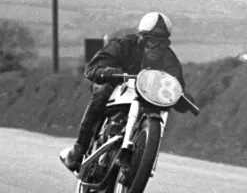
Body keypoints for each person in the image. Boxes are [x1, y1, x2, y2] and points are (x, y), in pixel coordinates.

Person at [64, 12, 194, 171]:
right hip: (116, 87)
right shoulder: (123, 45)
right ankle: (79, 148)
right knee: (102, 90)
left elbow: (175, 85)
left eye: (162, 43)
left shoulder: (169, 59)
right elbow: (93, 67)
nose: (156, 48)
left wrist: (182, 97)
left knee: (161, 108)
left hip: (145, 97)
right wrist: (106, 71)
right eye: (151, 41)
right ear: (141, 38)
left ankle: (141, 147)